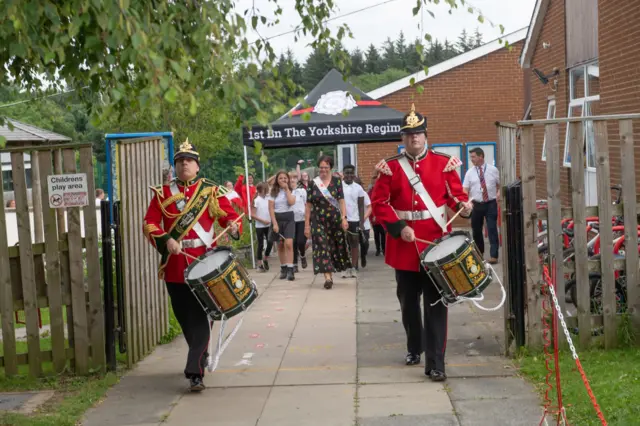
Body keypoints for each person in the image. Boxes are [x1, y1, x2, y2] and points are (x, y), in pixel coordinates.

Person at [371, 104, 472, 382]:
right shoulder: (390, 168)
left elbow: (453, 197)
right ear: (402, 139)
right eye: (408, 134)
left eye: (418, 133)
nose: (414, 138)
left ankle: (436, 363)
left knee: (437, 303)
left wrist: (464, 207)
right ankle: (413, 346)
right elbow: (379, 203)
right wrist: (398, 227)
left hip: (435, 244)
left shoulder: (443, 163)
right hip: (404, 246)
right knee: (408, 303)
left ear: (426, 135)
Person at [143, 139, 241, 392]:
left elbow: (230, 216)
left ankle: (194, 372)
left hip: (205, 267)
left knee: (203, 317)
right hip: (175, 266)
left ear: (197, 166)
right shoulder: (162, 193)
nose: (184, 164)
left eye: (189, 161)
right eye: (180, 161)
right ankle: (199, 354)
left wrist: (233, 226)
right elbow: (150, 223)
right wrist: (166, 239)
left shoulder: (210, 191)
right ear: (175, 166)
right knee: (186, 319)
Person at [304, 156, 351, 289]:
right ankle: (327, 277)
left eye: (326, 167)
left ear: (330, 168)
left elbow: (341, 200)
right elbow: (308, 205)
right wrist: (306, 225)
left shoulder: (337, 181)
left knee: (332, 247)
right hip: (318, 220)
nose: (323, 170)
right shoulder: (313, 183)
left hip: (334, 220)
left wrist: (344, 217)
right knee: (322, 246)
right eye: (321, 167)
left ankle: (331, 271)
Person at [463, 147, 500, 264]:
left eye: (473, 157)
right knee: (476, 230)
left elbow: (500, 184)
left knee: (492, 229)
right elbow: (465, 190)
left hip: (491, 204)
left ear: (481, 156)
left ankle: (494, 256)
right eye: (471, 157)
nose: (471, 159)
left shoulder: (493, 170)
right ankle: (480, 254)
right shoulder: (469, 173)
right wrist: (466, 202)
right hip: (476, 205)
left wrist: (498, 195)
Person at [268, 170, 296, 281]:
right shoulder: (273, 192)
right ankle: (283, 267)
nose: (283, 180)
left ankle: (290, 269)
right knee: (280, 245)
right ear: (277, 180)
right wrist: (274, 223)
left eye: (285, 178)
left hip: (289, 218)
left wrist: (287, 189)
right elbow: (271, 208)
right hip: (277, 219)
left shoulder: (292, 190)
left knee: (288, 243)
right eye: (281, 178)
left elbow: (291, 202)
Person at [342, 165, 366, 278]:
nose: (349, 175)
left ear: (354, 174)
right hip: (342, 219)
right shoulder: (338, 186)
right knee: (343, 244)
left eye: (351, 173)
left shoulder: (358, 188)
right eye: (347, 173)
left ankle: (354, 266)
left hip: (355, 219)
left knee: (354, 243)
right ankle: (345, 267)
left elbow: (361, 206)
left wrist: (361, 222)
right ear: (343, 174)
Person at [289, 172, 308, 272]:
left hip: (301, 219)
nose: (292, 180)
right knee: (293, 242)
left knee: (301, 241)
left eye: (294, 178)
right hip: (291, 220)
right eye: (290, 178)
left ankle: (303, 255)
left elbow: (307, 204)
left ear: (297, 180)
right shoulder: (286, 192)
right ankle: (295, 264)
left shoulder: (302, 191)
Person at [252, 182, 272, 272]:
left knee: (270, 242)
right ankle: (259, 264)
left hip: (269, 225)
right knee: (260, 244)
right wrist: (263, 221)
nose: (267, 191)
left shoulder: (269, 198)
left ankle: (265, 258)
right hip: (260, 225)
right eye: (266, 189)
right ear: (261, 190)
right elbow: (253, 215)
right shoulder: (257, 200)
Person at [355, 176, 373, 268]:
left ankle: (363, 256)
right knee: (353, 244)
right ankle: (355, 264)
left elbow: (370, 207)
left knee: (365, 244)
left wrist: (364, 218)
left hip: (364, 224)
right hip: (352, 223)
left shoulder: (363, 194)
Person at [369, 172, 386, 256]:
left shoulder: (382, 190)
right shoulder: (370, 192)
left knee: (383, 234)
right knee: (376, 234)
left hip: (382, 216)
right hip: (374, 216)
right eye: (373, 181)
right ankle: (378, 249)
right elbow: (370, 204)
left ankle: (384, 249)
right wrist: (373, 215)